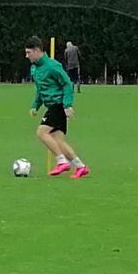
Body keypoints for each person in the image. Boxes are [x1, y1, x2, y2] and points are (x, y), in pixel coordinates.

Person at [25, 36, 90, 179]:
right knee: (58, 141)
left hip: (58, 105)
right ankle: (80, 166)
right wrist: (35, 105)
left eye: (29, 52)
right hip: (52, 105)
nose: (27, 56)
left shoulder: (53, 66)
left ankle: (62, 162)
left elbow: (67, 84)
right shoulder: (34, 69)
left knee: (41, 133)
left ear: (37, 51)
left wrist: (67, 105)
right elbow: (40, 89)